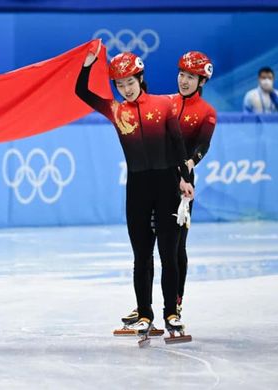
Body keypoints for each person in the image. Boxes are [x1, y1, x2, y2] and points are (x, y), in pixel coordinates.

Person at [75, 43, 194, 337]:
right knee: (142, 255)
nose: (125, 89)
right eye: (119, 84)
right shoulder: (115, 110)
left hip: (167, 185)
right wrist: (88, 64)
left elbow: (178, 144)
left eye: (129, 82)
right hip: (138, 188)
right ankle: (144, 314)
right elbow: (81, 92)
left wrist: (184, 178)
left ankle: (171, 312)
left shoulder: (164, 105)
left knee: (168, 253)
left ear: (140, 79)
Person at [121, 51, 217, 326]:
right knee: (146, 247)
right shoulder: (164, 102)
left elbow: (202, 147)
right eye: (181, 74)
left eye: (191, 77)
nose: (184, 81)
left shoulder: (207, 112)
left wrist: (185, 168)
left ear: (202, 81)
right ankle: (144, 306)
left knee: (175, 248)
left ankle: (174, 304)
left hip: (181, 184)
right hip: (158, 180)